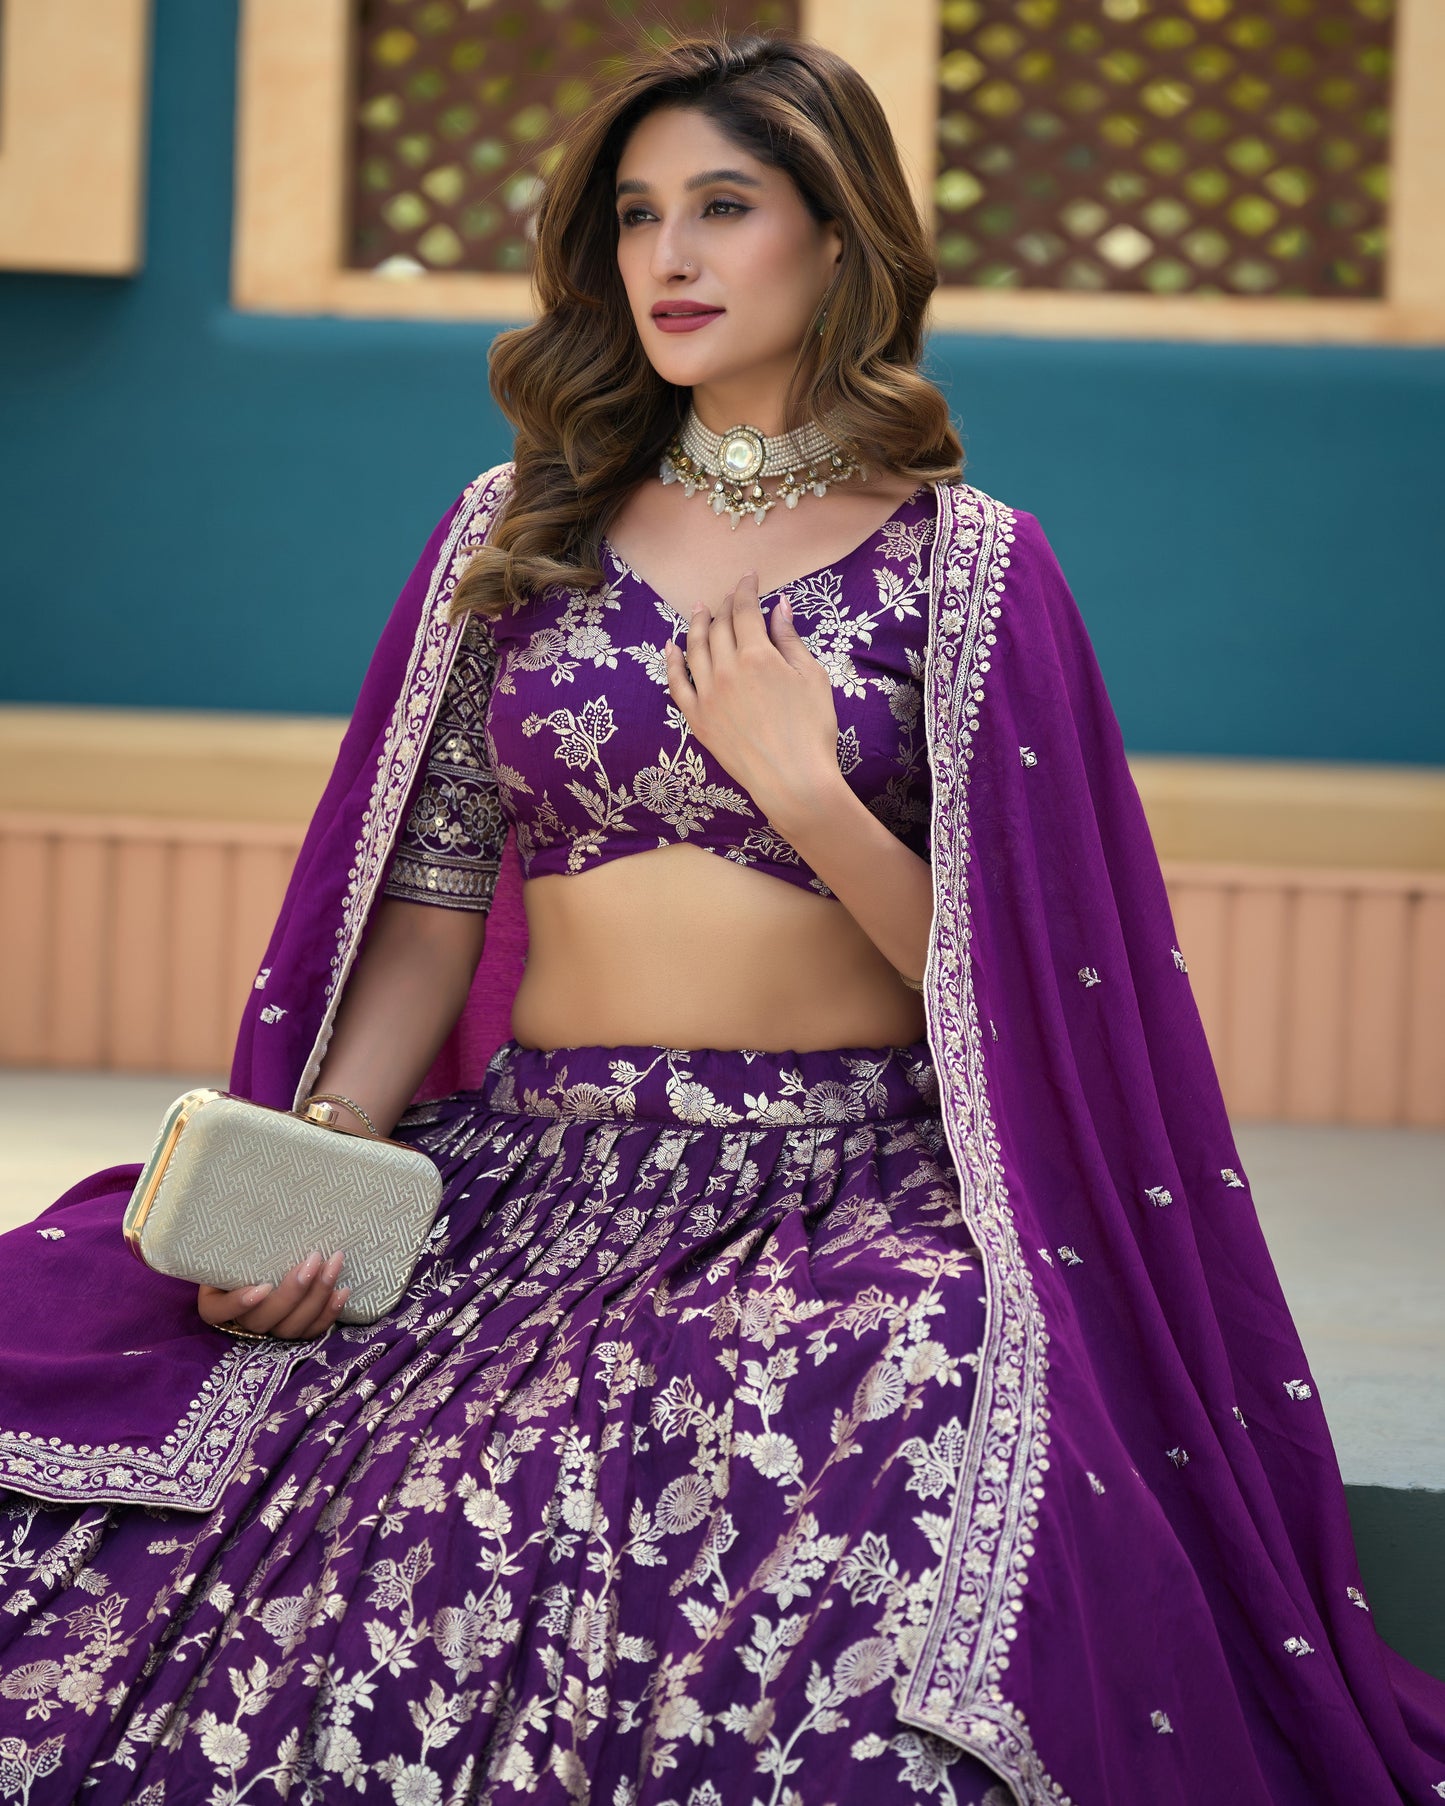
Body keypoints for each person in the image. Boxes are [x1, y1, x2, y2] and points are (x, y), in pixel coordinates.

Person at [0, 30, 1441, 1806]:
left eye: (724, 209)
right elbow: (432, 905)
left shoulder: (967, 563)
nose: (668, 258)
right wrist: (332, 1154)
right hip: (539, 1163)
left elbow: (1018, 986)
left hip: (845, 1181)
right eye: (635, 216)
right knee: (361, 1473)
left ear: (836, 241)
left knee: (882, 1423)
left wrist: (808, 792)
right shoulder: (516, 532)